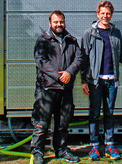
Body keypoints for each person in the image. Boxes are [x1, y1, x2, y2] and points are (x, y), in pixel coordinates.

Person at [81, 0, 122, 161]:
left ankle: (109, 145)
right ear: (97, 14)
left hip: (111, 81)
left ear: (111, 15)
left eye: (108, 13)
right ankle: (94, 147)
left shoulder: (116, 33)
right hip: (95, 82)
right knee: (94, 114)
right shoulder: (89, 34)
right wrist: (84, 81)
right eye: (102, 13)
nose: (105, 16)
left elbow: (121, 55)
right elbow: (83, 59)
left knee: (109, 113)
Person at [30, 10, 84, 164]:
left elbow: (79, 58)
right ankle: (38, 153)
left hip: (65, 90)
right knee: (41, 123)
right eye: (56, 22)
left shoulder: (71, 40)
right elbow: (41, 61)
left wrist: (69, 72)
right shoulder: (43, 40)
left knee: (63, 123)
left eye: (61, 22)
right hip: (46, 89)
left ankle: (61, 150)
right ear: (50, 23)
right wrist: (59, 76)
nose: (59, 24)